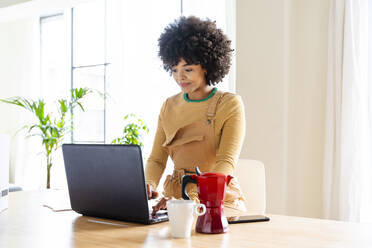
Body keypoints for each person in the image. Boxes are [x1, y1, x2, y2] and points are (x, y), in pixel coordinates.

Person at [146, 16, 246, 216]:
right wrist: (148, 185)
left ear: (207, 65)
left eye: (188, 69)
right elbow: (157, 159)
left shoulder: (229, 104)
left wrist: (191, 202)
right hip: (174, 198)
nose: (179, 77)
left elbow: (225, 162)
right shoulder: (169, 106)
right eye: (174, 69)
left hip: (218, 202)